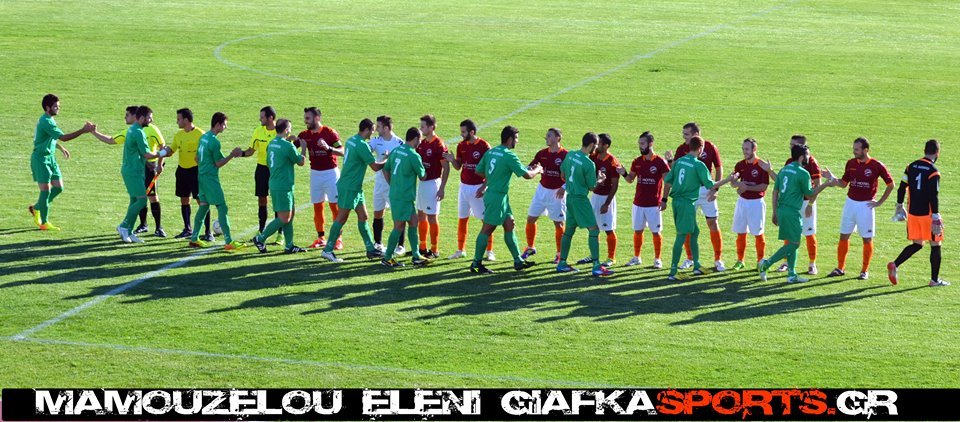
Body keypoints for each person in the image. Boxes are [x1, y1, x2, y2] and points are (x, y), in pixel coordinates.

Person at [758, 144, 839, 282]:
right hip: (792, 212)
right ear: (802, 157)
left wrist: (774, 212)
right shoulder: (803, 173)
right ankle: (766, 264)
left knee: (791, 241)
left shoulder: (784, 170)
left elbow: (775, 191)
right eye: (807, 155)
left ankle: (792, 274)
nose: (809, 157)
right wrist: (826, 184)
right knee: (794, 244)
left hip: (782, 209)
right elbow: (810, 193)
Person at [468, 126, 542, 274]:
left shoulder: (491, 152)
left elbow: (479, 170)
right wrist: (538, 170)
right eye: (516, 138)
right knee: (487, 228)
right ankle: (476, 264)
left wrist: (492, 178)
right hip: (497, 197)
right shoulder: (509, 156)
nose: (517, 141)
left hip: (498, 196)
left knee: (509, 224)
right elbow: (527, 175)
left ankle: (518, 261)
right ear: (509, 139)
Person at [663, 136, 737, 281]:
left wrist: (667, 196)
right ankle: (673, 271)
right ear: (701, 148)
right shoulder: (698, 165)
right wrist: (728, 179)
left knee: (695, 232)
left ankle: (696, 265)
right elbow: (711, 185)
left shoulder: (679, 161)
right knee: (681, 235)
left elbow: (668, 180)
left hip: (677, 202)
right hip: (686, 204)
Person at [319, 118, 386, 263]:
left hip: (354, 187)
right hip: (349, 187)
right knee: (341, 218)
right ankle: (327, 250)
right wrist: (387, 158)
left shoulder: (351, 140)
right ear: (366, 130)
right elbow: (375, 167)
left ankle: (370, 249)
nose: (373, 133)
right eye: (372, 130)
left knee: (363, 216)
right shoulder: (362, 145)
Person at [827, 137, 894, 280]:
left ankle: (864, 271)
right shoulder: (851, 163)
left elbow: (891, 184)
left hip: (866, 206)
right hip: (850, 204)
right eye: (854, 149)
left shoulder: (876, 165)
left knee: (867, 239)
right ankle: (840, 268)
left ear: (866, 150)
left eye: (857, 149)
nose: (854, 152)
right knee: (844, 236)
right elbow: (843, 183)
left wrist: (880, 202)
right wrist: (832, 179)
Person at [888, 140, 948, 287]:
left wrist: (899, 205)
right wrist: (936, 215)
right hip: (928, 214)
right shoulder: (933, 171)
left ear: (924, 150)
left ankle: (895, 264)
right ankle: (934, 280)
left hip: (913, 214)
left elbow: (902, 187)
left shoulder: (911, 166)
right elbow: (933, 195)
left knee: (917, 243)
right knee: (936, 244)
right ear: (937, 153)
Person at [29, 94, 94, 230]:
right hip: (41, 159)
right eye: (55, 107)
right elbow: (63, 137)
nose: (58, 108)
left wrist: (59, 147)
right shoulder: (46, 121)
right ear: (48, 108)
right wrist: (83, 130)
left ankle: (37, 207)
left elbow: (48, 138)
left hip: (50, 158)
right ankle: (44, 223)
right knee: (45, 191)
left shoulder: (49, 119)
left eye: (58, 106)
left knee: (58, 187)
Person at [669, 122, 726, 271]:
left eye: (686, 134)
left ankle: (718, 259)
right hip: (690, 193)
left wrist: (716, 190)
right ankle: (690, 258)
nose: (684, 137)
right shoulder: (681, 149)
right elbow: (675, 170)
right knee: (689, 226)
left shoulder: (710, 147)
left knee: (713, 222)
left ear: (696, 135)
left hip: (707, 191)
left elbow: (719, 168)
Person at [555, 132, 614, 277]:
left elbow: (562, 174)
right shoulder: (588, 163)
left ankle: (562, 263)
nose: (596, 148)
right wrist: (600, 180)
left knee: (569, 231)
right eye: (596, 145)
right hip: (581, 200)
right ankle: (596, 266)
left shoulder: (570, 155)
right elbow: (592, 187)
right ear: (592, 145)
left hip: (570, 198)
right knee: (594, 230)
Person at [185, 112, 245, 251]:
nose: (226, 127)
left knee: (204, 206)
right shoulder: (214, 141)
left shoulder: (204, 137)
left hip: (201, 176)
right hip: (210, 179)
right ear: (218, 124)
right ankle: (229, 241)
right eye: (224, 124)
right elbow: (218, 163)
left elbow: (196, 158)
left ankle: (194, 238)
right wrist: (232, 155)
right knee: (222, 207)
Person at [252, 118, 309, 253]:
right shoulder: (287, 146)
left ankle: (289, 245)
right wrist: (303, 148)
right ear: (286, 130)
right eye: (290, 128)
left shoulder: (272, 143)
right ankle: (260, 238)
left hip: (276, 183)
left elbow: (269, 162)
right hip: (283, 186)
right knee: (284, 218)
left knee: (290, 215)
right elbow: (301, 162)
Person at [380, 127, 432, 267]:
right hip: (403, 197)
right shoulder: (413, 155)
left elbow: (385, 169)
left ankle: (416, 255)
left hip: (400, 195)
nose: (420, 142)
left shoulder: (396, 150)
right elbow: (423, 176)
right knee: (398, 226)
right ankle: (387, 258)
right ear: (415, 139)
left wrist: (393, 184)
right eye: (419, 139)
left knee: (413, 222)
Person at [443, 119, 495, 260]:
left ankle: (489, 251)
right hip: (464, 187)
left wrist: (484, 186)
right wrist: (452, 160)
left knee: (486, 220)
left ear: (472, 132)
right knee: (462, 218)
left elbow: (490, 169)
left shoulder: (484, 146)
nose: (461, 134)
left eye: (464, 132)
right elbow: (458, 166)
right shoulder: (461, 146)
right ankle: (461, 250)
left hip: (478, 188)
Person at [295, 106, 344, 249]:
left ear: (317, 118)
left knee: (335, 206)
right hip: (315, 174)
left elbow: (342, 151)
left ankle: (338, 239)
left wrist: (328, 148)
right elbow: (292, 148)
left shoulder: (329, 133)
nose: (305, 121)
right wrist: (289, 140)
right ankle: (321, 238)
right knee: (317, 206)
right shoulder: (304, 135)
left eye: (308, 118)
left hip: (331, 174)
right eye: (305, 118)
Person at [774, 135, 822, 274]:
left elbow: (817, 185)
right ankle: (786, 263)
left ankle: (812, 264)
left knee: (809, 233)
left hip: (806, 203)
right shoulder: (790, 161)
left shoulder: (812, 163)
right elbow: (782, 182)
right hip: (792, 203)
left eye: (793, 145)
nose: (790, 147)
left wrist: (810, 204)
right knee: (789, 235)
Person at [116, 106, 166, 243]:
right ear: (142, 118)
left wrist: (148, 164)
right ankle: (124, 226)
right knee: (142, 200)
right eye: (149, 117)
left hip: (133, 169)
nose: (151, 120)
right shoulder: (138, 132)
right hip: (133, 171)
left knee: (134, 200)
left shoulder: (133, 129)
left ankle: (129, 231)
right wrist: (163, 153)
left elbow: (138, 152)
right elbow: (147, 154)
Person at [622, 131, 669, 268]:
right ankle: (637, 257)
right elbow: (630, 179)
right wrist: (623, 173)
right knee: (637, 231)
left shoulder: (660, 162)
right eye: (639, 144)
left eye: (642, 143)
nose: (640, 146)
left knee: (656, 232)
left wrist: (664, 200)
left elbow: (668, 182)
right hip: (638, 203)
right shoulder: (637, 162)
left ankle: (657, 259)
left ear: (651, 144)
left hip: (654, 204)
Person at [521, 128, 568, 264]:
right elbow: (529, 167)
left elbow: (572, 175)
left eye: (549, 136)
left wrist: (564, 187)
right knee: (531, 219)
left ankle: (560, 254)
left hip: (557, 192)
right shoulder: (541, 154)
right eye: (546, 135)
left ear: (558, 138)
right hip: (542, 191)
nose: (546, 138)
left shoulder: (565, 155)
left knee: (558, 223)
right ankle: (530, 247)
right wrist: (531, 169)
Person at [576, 133, 621, 267]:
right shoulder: (593, 157)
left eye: (599, 143)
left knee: (608, 229)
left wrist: (607, 203)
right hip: (595, 196)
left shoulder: (613, 162)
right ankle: (593, 255)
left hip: (606, 198)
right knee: (593, 227)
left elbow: (615, 185)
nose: (596, 145)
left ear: (606, 146)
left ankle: (611, 258)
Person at [166, 108, 211, 240]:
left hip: (196, 171)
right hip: (182, 170)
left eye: (178, 119)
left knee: (202, 201)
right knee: (184, 199)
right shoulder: (178, 135)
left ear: (186, 120)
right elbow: (171, 150)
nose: (177, 122)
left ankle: (208, 232)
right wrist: (161, 152)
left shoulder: (200, 135)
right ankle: (187, 229)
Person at [241, 106, 282, 244]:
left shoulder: (280, 131)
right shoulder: (258, 131)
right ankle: (261, 230)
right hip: (262, 169)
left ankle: (280, 234)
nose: (260, 119)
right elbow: (251, 151)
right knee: (262, 200)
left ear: (271, 118)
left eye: (262, 117)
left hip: (276, 170)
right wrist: (240, 153)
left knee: (278, 201)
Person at [730, 138, 771, 270]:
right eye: (743, 149)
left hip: (756, 204)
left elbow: (764, 186)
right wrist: (736, 183)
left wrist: (746, 187)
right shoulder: (740, 165)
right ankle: (740, 260)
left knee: (758, 233)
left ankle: (760, 261)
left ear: (754, 149)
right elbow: (733, 183)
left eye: (747, 149)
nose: (744, 152)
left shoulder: (762, 165)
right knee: (740, 232)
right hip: (742, 202)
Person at [369, 115, 406, 256]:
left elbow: (405, 160)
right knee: (378, 212)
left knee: (398, 214)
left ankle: (401, 245)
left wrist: (391, 156)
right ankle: (378, 243)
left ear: (386, 128)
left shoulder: (399, 143)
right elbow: (366, 150)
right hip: (379, 184)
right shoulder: (375, 141)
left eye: (378, 127)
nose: (376, 129)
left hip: (393, 184)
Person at [415, 114, 450, 258]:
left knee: (432, 217)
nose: (421, 129)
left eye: (423, 126)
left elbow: (446, 168)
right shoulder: (422, 144)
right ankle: (422, 247)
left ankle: (435, 250)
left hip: (433, 184)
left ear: (431, 127)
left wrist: (442, 188)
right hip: (422, 184)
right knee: (420, 215)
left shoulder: (439, 144)